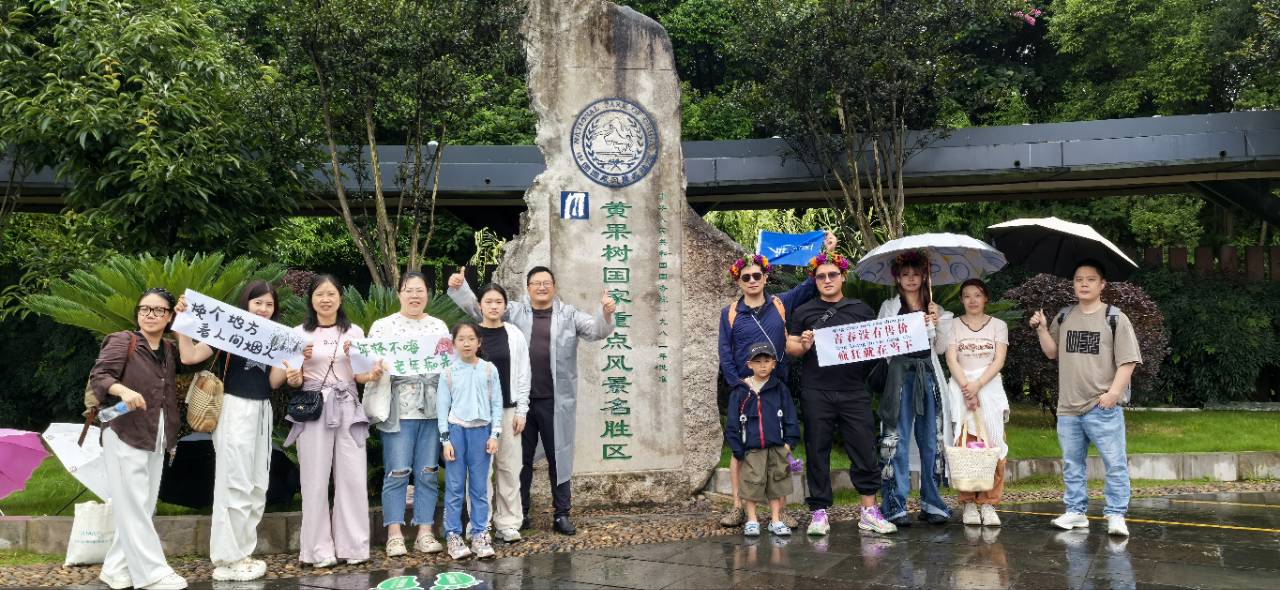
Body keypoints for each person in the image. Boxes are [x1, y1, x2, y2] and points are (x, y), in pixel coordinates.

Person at [448, 265, 615, 535]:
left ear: (554, 286)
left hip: (555, 401)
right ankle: (521, 513)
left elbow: (597, 329)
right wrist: (459, 288)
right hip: (518, 403)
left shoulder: (569, 314)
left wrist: (606, 312)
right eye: (536, 283)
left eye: (546, 282)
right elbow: (482, 310)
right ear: (527, 288)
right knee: (520, 461)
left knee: (558, 457)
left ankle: (562, 514)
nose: (541, 287)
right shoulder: (514, 312)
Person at [717, 231, 836, 528]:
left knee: (778, 448)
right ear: (738, 282)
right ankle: (737, 506)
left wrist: (828, 252)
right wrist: (737, 384)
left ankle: (778, 512)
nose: (752, 280)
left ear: (766, 277)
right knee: (740, 449)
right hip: (744, 389)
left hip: (775, 388)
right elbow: (724, 350)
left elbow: (811, 284)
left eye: (757, 274)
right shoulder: (730, 313)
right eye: (746, 277)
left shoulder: (781, 304)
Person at [175, 281, 291, 582]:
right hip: (234, 408)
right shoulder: (230, 330)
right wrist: (182, 323)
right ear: (246, 304)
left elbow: (275, 382)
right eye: (258, 303)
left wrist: (294, 359)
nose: (264, 309)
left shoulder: (277, 337)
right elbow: (189, 357)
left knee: (255, 483)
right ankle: (227, 557)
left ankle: (243, 553)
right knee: (234, 481)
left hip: (262, 410)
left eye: (269, 304)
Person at [786, 252, 897, 536]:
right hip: (816, 391)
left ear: (843, 276)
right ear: (815, 280)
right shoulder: (804, 311)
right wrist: (805, 345)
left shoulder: (861, 309)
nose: (827, 280)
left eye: (832, 274)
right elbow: (792, 348)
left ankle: (869, 510)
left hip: (853, 390)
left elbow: (877, 345)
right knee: (817, 450)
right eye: (821, 276)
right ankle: (819, 512)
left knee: (864, 450)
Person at [1030, 259, 1141, 536]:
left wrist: (1113, 394)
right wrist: (1042, 328)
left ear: (1102, 284)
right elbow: (1052, 352)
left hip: (1102, 406)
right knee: (1072, 463)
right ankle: (1076, 512)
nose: (1083, 283)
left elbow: (1128, 361)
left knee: (1114, 463)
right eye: (1079, 279)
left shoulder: (1115, 317)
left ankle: (1116, 515)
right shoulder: (1065, 315)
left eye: (1090, 279)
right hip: (1068, 406)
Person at [90, 287, 189, 590]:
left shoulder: (170, 350)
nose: (150, 315)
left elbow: (196, 356)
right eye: (145, 309)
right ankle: (153, 574)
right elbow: (101, 376)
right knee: (134, 505)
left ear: (169, 316)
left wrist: (189, 318)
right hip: (125, 432)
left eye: (159, 310)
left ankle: (116, 570)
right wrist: (123, 390)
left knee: (142, 506)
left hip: (157, 434)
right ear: (137, 312)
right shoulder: (124, 341)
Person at [285, 274, 376, 567]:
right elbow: (293, 378)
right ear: (311, 300)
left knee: (352, 476)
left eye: (331, 294)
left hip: (348, 405)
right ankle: (316, 550)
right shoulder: (298, 333)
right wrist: (296, 369)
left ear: (340, 297)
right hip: (313, 408)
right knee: (314, 478)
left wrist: (373, 374)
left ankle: (354, 547)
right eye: (320, 294)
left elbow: (360, 375)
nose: (326, 299)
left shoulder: (355, 332)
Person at [363, 271, 449, 557]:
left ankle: (425, 531)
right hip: (397, 409)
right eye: (408, 290)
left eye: (420, 290)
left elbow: (447, 367)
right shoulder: (382, 327)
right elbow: (369, 363)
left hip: (432, 410)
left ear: (427, 295)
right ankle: (394, 533)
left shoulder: (439, 326)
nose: (414, 295)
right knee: (396, 472)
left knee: (427, 472)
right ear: (399, 294)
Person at [878, 250, 954, 528]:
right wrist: (911, 329)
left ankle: (932, 502)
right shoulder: (889, 306)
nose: (911, 279)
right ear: (897, 278)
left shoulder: (936, 309)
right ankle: (895, 504)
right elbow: (883, 344)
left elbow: (943, 349)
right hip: (900, 375)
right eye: (905, 274)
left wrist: (937, 324)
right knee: (895, 439)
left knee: (931, 439)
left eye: (916, 274)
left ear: (925, 277)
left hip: (929, 374)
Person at [942, 279, 1010, 527]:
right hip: (960, 389)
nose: (972, 300)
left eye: (977, 295)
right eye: (967, 296)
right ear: (961, 300)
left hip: (989, 389)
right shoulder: (953, 326)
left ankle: (989, 503)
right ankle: (969, 503)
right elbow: (951, 359)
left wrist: (978, 386)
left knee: (993, 445)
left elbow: (998, 360)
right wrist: (966, 390)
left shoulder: (998, 326)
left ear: (986, 299)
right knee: (965, 446)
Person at [437, 321, 504, 560]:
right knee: (455, 487)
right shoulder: (448, 372)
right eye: (461, 339)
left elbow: (497, 404)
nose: (466, 343)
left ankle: (479, 534)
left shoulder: (489, 370)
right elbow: (442, 408)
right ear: (453, 344)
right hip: (456, 432)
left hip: (482, 432)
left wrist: (495, 434)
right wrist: (445, 440)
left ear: (479, 342)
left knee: (479, 487)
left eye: (471, 339)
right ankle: (453, 535)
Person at [474, 283, 531, 543]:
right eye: (489, 301)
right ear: (480, 305)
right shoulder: (471, 334)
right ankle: (480, 524)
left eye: (498, 301)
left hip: (509, 411)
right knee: (479, 470)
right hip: (476, 414)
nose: (494, 306)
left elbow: (523, 374)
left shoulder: (514, 334)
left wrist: (522, 410)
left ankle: (508, 522)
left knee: (508, 468)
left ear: (505, 306)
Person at [725, 342, 801, 538]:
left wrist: (789, 443)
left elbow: (790, 417)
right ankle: (752, 519)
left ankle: (775, 519)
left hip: (777, 446)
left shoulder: (779, 388)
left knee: (777, 484)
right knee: (752, 483)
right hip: (751, 448)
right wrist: (737, 448)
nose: (763, 365)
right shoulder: (741, 391)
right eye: (758, 362)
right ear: (749, 364)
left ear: (774, 364)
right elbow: (733, 422)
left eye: (767, 361)